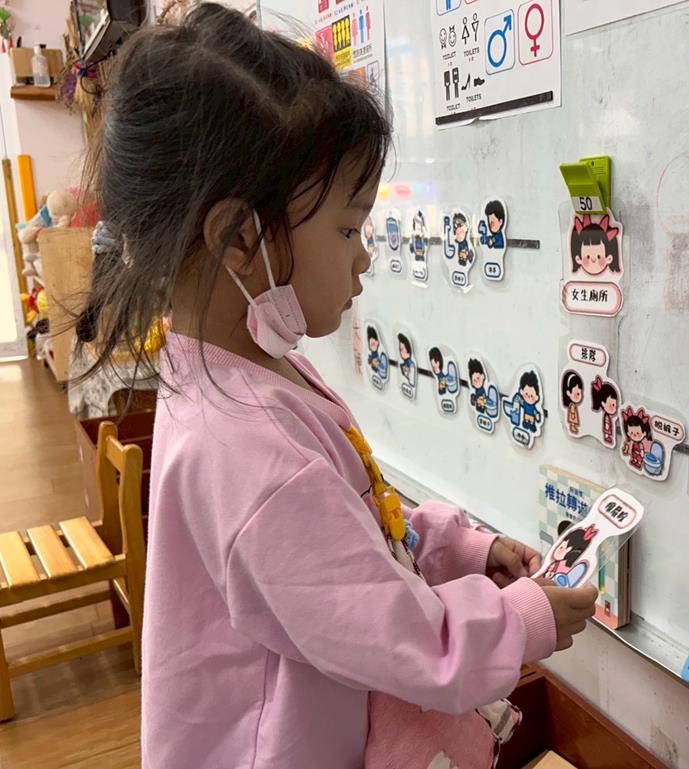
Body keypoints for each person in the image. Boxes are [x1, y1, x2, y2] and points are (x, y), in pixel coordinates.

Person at [72, 7, 595, 768]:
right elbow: (406, 639)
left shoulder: (251, 371)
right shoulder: (252, 453)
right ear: (240, 238)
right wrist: (526, 618)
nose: (364, 257)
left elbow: (355, 533)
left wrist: (459, 549)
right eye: (349, 230)